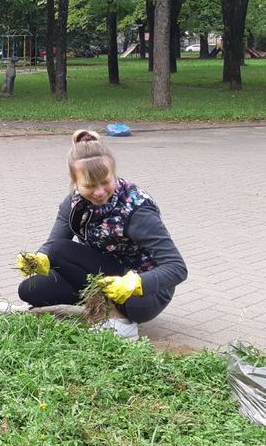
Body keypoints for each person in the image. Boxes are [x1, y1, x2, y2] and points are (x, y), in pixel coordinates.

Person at [12, 129, 187, 341]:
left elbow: (177, 268)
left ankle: (119, 321)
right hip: (103, 277)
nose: (100, 192)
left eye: (105, 182)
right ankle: (98, 303)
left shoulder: (137, 210)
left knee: (59, 251)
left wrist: (136, 282)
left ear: (114, 173)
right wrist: (38, 258)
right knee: (30, 290)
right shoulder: (73, 203)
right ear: (75, 182)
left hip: (142, 297)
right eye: (89, 185)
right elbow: (52, 243)